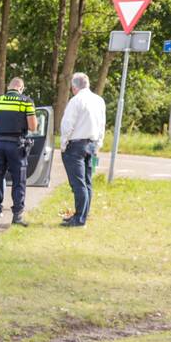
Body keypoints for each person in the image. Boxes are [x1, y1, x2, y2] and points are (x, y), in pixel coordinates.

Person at [0, 77, 38, 228]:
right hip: (16, 145)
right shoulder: (26, 101)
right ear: (21, 88)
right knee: (18, 181)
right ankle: (17, 216)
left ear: (9, 87)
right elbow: (33, 127)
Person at [59, 72, 106, 227]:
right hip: (92, 145)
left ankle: (79, 218)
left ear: (74, 87)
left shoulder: (76, 101)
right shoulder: (99, 100)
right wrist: (99, 144)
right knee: (87, 182)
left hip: (76, 145)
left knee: (78, 183)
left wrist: (63, 144)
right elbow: (102, 125)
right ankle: (82, 215)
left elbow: (67, 125)